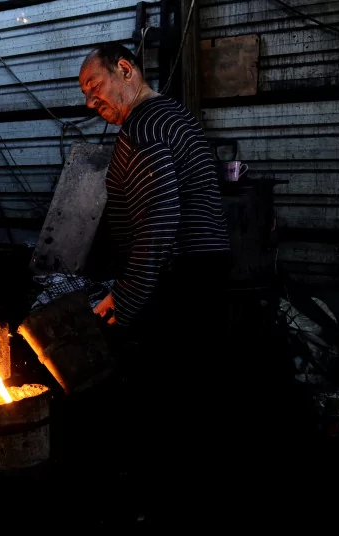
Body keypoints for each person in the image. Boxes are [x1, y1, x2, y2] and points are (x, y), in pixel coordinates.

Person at [80, 42, 231, 384]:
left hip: (179, 282)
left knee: (168, 385)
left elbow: (159, 216)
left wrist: (127, 294)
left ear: (125, 69)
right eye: (87, 94)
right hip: (205, 273)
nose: (90, 102)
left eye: (95, 86)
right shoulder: (173, 115)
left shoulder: (142, 128)